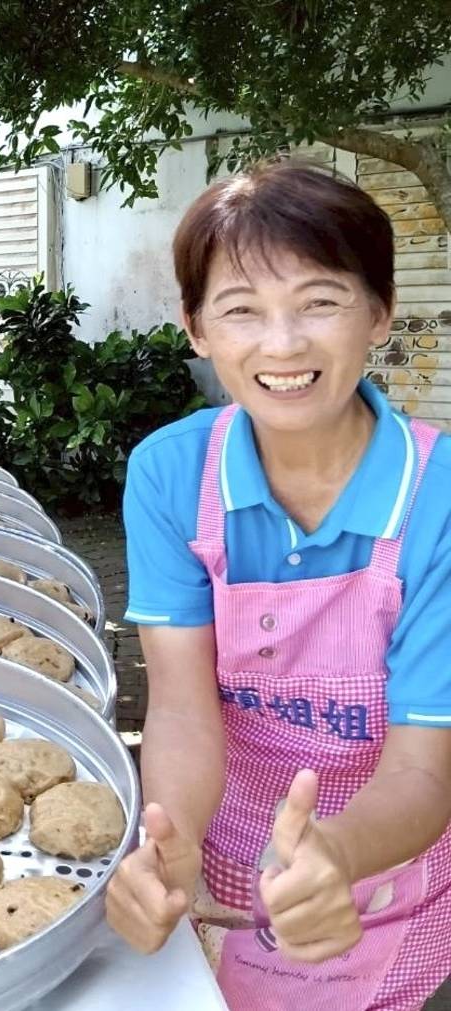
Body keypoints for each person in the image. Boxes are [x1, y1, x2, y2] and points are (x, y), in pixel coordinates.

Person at [105, 161, 451, 1010]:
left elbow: (426, 764)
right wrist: (168, 843)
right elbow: (182, 708)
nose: (283, 344)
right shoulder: (171, 475)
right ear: (195, 328)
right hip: (221, 866)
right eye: (241, 310)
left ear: (379, 312)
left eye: (320, 301)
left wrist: (333, 853)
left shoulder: (438, 496)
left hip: (387, 874)